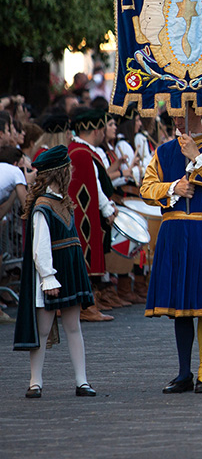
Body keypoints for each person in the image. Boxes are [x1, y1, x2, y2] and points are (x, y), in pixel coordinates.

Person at [140, 104, 202, 394]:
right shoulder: (164, 151)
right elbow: (146, 188)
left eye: (181, 113)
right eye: (173, 114)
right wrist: (172, 188)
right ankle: (184, 372)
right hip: (174, 231)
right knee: (180, 306)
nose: (176, 119)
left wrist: (197, 158)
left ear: (198, 112)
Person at [13, 146, 97, 398]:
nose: (71, 171)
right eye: (67, 168)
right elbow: (40, 246)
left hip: (70, 271)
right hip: (52, 275)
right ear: (60, 173)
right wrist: (48, 277)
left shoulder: (64, 202)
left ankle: (81, 380)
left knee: (74, 327)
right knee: (43, 330)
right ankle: (35, 381)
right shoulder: (43, 206)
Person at [68, 108, 119, 320]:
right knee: (87, 254)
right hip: (86, 214)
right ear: (96, 130)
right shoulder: (82, 153)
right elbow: (93, 187)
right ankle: (86, 306)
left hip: (86, 212)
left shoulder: (77, 149)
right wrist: (107, 208)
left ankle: (88, 303)